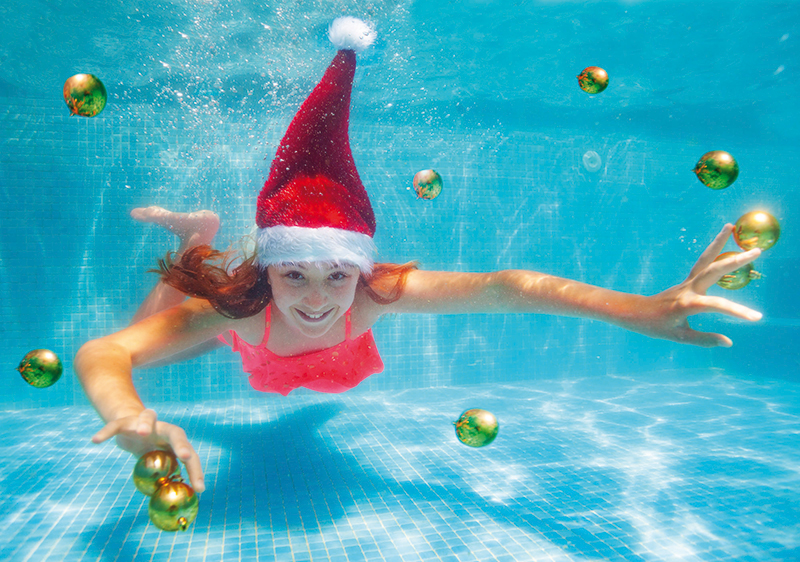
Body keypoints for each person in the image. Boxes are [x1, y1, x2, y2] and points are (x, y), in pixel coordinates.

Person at [74, 17, 763, 495]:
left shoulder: (377, 290)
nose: (317, 297)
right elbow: (104, 353)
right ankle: (200, 237)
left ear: (361, 269)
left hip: (299, 339)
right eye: (294, 273)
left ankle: (203, 233)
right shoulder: (244, 305)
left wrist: (641, 311)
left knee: (216, 329)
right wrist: (131, 413)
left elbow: (508, 286)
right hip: (254, 332)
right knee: (185, 331)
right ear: (268, 270)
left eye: (336, 273)